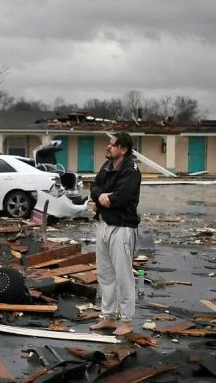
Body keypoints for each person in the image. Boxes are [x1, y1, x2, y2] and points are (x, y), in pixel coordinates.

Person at [89, 132, 141, 336]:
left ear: (123, 149)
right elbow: (94, 188)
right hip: (103, 225)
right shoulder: (106, 166)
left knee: (123, 275)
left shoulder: (132, 170)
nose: (108, 147)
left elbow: (120, 198)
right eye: (109, 144)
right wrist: (102, 195)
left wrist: (105, 197)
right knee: (105, 274)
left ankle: (126, 321)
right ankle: (108, 317)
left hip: (122, 228)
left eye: (112, 144)